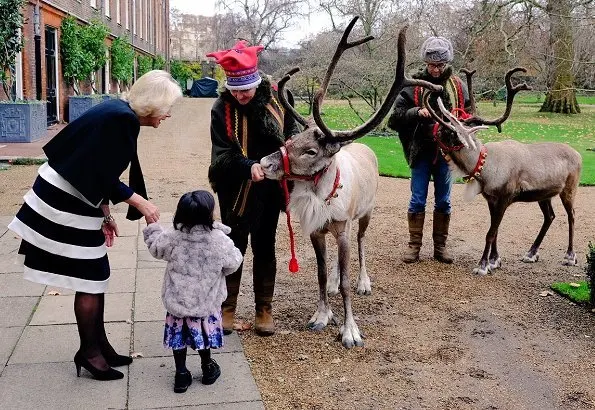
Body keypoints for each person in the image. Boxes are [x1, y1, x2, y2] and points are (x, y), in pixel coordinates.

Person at [7, 70, 182, 381]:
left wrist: (104, 214)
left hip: (73, 195)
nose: (168, 115)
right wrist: (138, 201)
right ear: (153, 104)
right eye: (167, 108)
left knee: (96, 275)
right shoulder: (121, 119)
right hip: (62, 199)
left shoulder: (118, 112)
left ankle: (98, 345)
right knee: (91, 277)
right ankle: (89, 352)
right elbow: (97, 171)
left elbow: (97, 166)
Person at [206, 41, 300, 336]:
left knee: (265, 244)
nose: (240, 95)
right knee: (234, 245)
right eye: (234, 90)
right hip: (234, 187)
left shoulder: (280, 98)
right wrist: (248, 166)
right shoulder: (221, 107)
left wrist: (290, 146)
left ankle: (263, 308)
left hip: (271, 187)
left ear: (257, 82)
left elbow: (293, 129)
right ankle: (228, 308)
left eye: (245, 89)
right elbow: (221, 153)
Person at [143, 190, 243, 392]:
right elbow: (233, 262)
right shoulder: (219, 240)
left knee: (178, 338)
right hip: (206, 301)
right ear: (209, 214)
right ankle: (207, 367)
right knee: (203, 336)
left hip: (177, 301)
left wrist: (152, 226)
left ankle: (181, 374)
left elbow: (155, 248)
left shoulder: (173, 236)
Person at [387, 36, 472, 264]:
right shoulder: (413, 85)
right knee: (417, 200)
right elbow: (393, 119)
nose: (436, 69)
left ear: (446, 63)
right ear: (426, 63)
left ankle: (440, 247)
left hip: (448, 154)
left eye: (440, 65)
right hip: (421, 152)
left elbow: (470, 115)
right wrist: (415, 112)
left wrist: (462, 121)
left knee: (444, 201)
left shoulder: (457, 86)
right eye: (432, 65)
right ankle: (414, 246)